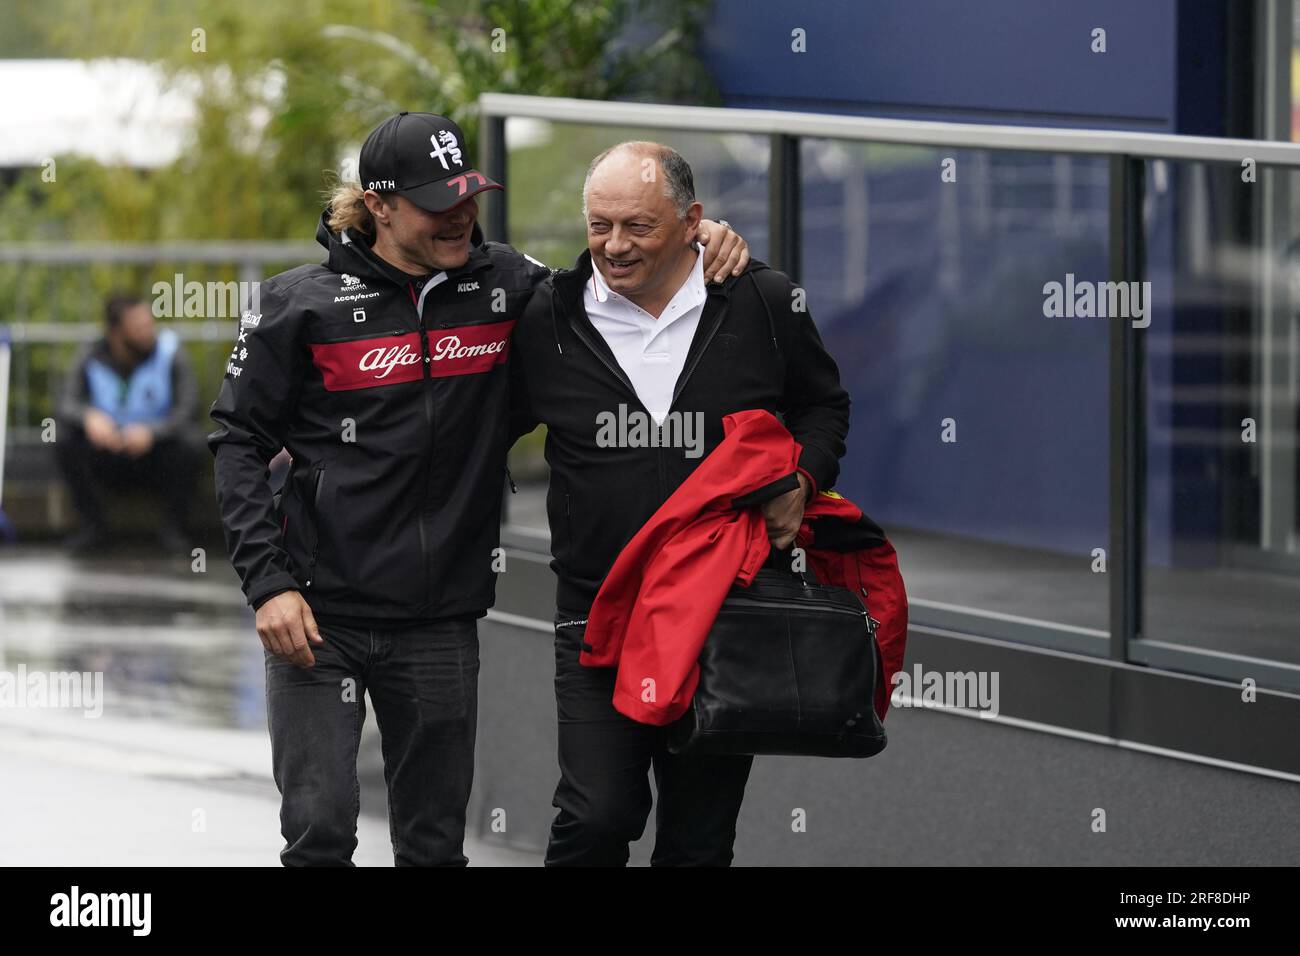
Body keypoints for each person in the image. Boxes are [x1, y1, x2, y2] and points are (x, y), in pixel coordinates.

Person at [208, 112, 749, 866]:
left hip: (439, 618)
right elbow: (237, 442)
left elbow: (621, 273)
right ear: (381, 206)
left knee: (433, 846)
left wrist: (704, 239)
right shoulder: (295, 305)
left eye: (468, 193)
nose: (461, 213)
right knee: (321, 833)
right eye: (438, 202)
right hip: (315, 615)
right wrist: (267, 585)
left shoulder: (510, 283)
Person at [510, 141, 850, 866]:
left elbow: (824, 407)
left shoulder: (760, 298)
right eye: (599, 225)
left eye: (638, 226)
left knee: (699, 840)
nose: (614, 245)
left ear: (693, 220)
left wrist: (803, 482)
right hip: (596, 612)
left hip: (724, 612)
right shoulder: (548, 317)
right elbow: (474, 424)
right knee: (597, 816)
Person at [57, 293, 201, 552]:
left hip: (155, 455)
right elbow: (66, 402)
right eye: (139, 327)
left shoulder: (170, 351)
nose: (149, 332)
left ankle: (174, 530)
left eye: (149, 324)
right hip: (108, 454)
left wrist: (153, 432)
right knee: (65, 440)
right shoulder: (91, 353)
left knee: (192, 442)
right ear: (115, 333)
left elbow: (189, 408)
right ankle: (93, 528)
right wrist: (88, 417)